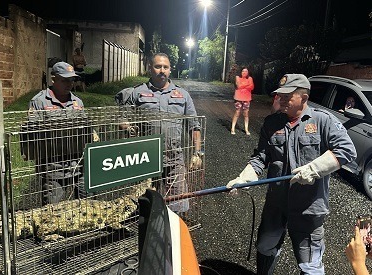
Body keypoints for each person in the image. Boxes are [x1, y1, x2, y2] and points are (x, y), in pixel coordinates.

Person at [226, 74, 357, 274]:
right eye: (280, 95)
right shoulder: (271, 123)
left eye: (288, 96)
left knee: (310, 264)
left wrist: (314, 169)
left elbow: (347, 150)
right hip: (276, 204)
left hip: (309, 207)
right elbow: (260, 158)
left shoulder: (323, 121)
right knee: (265, 248)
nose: (281, 99)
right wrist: (243, 178)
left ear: (303, 98)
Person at [114, 53, 203, 214]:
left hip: (174, 159)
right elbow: (122, 119)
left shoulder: (182, 95)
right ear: (150, 68)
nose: (162, 70)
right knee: (144, 206)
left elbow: (194, 126)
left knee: (177, 205)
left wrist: (197, 152)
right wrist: (127, 127)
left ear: (170, 70)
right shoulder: (137, 93)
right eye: (157, 66)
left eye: (165, 67)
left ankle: (172, 236)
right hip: (145, 161)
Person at [26, 61, 91, 204]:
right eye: (64, 80)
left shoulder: (77, 103)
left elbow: (86, 128)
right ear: (53, 78)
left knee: (86, 205)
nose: (69, 84)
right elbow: (32, 132)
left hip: (78, 165)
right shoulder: (39, 102)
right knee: (52, 209)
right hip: (52, 168)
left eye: (72, 80)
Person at [231, 67, 254, 136]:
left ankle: (246, 129)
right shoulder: (237, 77)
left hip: (247, 98)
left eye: (246, 71)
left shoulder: (250, 78)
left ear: (248, 72)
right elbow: (238, 86)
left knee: (246, 114)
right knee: (237, 112)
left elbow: (252, 87)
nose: (244, 72)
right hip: (238, 98)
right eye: (243, 71)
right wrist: (247, 85)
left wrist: (243, 86)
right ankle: (232, 128)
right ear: (240, 72)